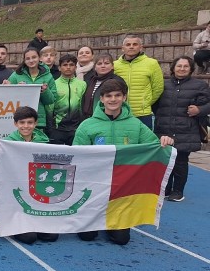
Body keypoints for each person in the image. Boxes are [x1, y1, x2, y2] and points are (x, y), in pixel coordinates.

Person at [73, 79, 173, 245]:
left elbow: (153, 146)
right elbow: (77, 154)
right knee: (87, 237)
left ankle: (114, 221)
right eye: (109, 96)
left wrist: (165, 141)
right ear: (102, 99)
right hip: (95, 184)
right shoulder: (87, 125)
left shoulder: (135, 125)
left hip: (122, 187)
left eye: (118, 95)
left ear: (124, 98)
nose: (113, 99)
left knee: (121, 240)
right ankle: (90, 219)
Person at [0, 106, 56, 244]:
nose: (26, 126)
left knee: (51, 236)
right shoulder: (8, 142)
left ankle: (36, 220)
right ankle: (3, 218)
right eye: (22, 122)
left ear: (36, 123)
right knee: (29, 238)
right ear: (16, 124)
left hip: (37, 193)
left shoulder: (44, 142)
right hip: (17, 195)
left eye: (30, 122)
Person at [153, 56, 210, 202]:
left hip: (186, 130)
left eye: (186, 66)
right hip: (164, 128)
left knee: (180, 162)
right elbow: (154, 103)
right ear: (173, 68)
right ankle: (165, 189)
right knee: (164, 161)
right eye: (179, 66)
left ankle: (177, 191)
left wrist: (200, 109)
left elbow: (208, 104)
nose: (182, 69)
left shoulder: (200, 85)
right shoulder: (163, 85)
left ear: (191, 69)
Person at [113, 34, 164, 129]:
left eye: (135, 44)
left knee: (144, 143)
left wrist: (146, 103)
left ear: (141, 47)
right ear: (122, 48)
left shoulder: (151, 63)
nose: (131, 46)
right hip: (120, 112)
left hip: (143, 114)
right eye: (128, 44)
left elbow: (158, 87)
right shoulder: (115, 65)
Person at [6, 47, 56, 133]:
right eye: (28, 58)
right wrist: (12, 87)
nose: (31, 60)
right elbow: (7, 95)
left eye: (34, 57)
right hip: (20, 119)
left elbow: (51, 100)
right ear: (24, 61)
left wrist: (45, 91)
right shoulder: (16, 75)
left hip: (39, 120)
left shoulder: (48, 76)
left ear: (39, 58)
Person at [50, 54, 87, 145]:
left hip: (76, 128)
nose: (68, 67)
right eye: (65, 65)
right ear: (59, 68)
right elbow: (50, 108)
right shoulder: (54, 84)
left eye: (71, 65)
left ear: (75, 67)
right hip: (58, 128)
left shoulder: (82, 84)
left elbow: (83, 106)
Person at [82, 53, 124, 119]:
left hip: (108, 118)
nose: (103, 66)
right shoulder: (89, 80)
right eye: (99, 64)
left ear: (112, 66)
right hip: (89, 118)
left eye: (106, 63)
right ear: (95, 67)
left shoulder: (117, 81)